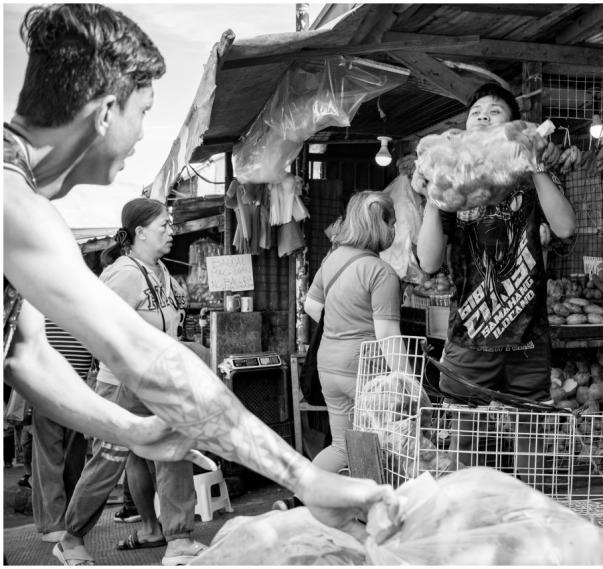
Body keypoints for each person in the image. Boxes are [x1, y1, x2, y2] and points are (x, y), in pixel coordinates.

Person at [3, 5, 393, 562]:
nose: (142, 135)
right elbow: (140, 357)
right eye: (144, 110)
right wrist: (303, 478)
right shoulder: (16, 202)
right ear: (105, 110)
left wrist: (130, 430)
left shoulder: (24, 201)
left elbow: (31, 359)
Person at [416, 83, 576, 481]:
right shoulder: (455, 187)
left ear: (513, 126)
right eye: (477, 112)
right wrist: (436, 193)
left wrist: (535, 163)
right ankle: (477, 521)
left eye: (496, 111)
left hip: (528, 336)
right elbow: (429, 260)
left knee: (531, 443)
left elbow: (565, 227)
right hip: (470, 335)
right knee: (469, 443)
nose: (484, 115)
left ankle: (529, 516)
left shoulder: (529, 179)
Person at [60, 198, 205, 565]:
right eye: (164, 227)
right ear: (139, 233)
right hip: (122, 384)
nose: (171, 232)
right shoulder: (124, 273)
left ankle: (179, 540)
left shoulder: (161, 272)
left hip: (159, 382)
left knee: (174, 455)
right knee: (108, 462)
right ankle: (71, 539)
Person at [304, 191, 404, 474]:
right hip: (364, 371)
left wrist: (342, 322)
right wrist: (409, 382)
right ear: (380, 224)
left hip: (329, 367)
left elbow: (312, 305)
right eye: (392, 222)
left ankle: (305, 497)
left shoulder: (333, 259)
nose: (394, 229)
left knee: (342, 446)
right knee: (389, 447)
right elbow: (388, 336)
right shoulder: (381, 272)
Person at [31, 320, 91, 543]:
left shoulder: (38, 297)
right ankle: (69, 521)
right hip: (80, 386)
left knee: (50, 459)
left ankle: (55, 523)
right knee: (73, 459)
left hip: (48, 384)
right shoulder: (87, 299)